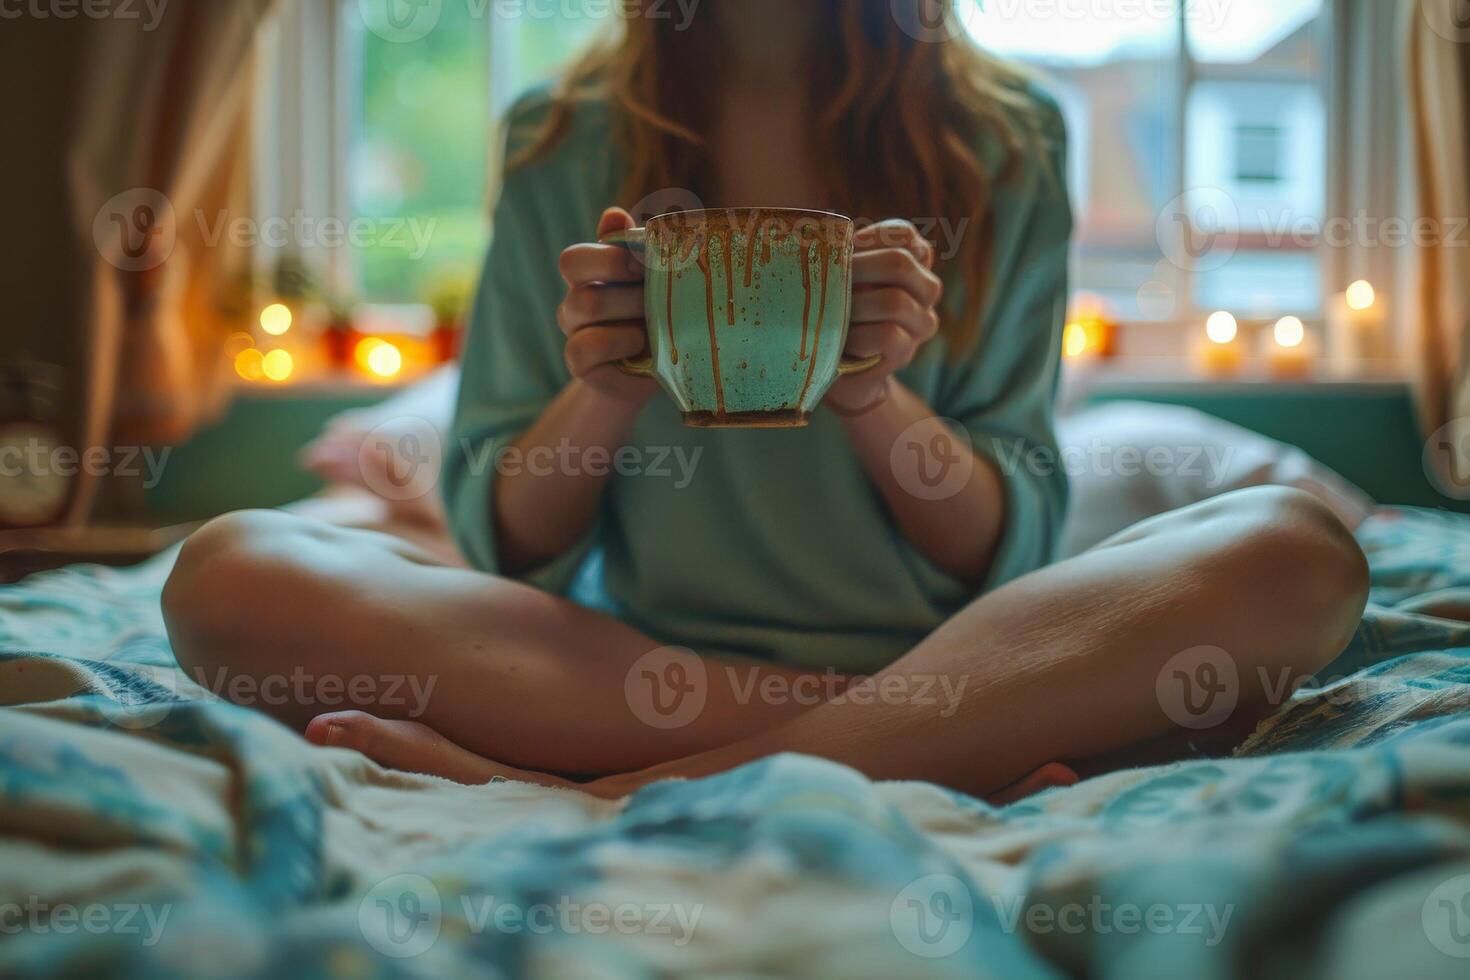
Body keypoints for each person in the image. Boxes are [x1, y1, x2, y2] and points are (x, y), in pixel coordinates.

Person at [161, 0, 1368, 802]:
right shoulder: (560, 138)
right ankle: (910, 739)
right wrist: (600, 393)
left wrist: (875, 398)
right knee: (227, 576)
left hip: (942, 651)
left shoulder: (1011, 143)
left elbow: (1010, 541)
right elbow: (502, 540)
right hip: (629, 659)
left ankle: (619, 785)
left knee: (1296, 551)